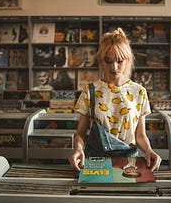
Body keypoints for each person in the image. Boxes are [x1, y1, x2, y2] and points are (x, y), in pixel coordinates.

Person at [69, 28, 161, 172]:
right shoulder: (90, 91)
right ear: (101, 61)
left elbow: (140, 135)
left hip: (129, 162)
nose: (114, 67)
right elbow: (81, 132)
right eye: (108, 61)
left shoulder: (139, 92)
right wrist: (78, 149)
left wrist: (149, 150)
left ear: (128, 59)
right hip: (97, 162)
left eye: (119, 61)